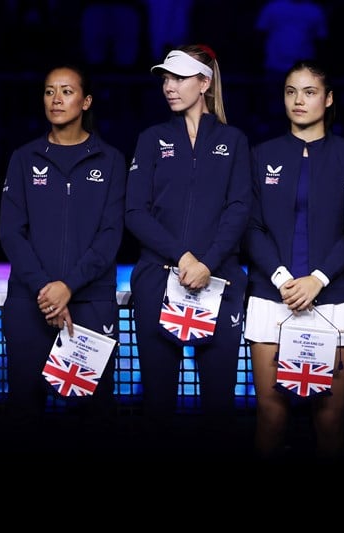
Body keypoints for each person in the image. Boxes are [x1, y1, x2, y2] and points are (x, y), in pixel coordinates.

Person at [124, 44, 253, 450]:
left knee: (219, 410)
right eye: (165, 78)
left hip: (221, 285)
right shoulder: (151, 139)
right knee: (157, 407)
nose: (169, 86)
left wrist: (209, 263)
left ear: (204, 82)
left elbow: (239, 208)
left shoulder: (233, 140)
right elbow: (134, 211)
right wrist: (183, 258)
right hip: (158, 283)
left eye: (179, 77)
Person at [0, 64, 127, 449]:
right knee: (23, 414)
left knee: (92, 419)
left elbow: (110, 235)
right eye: (49, 91)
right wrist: (46, 290)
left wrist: (68, 287)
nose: (56, 99)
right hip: (29, 303)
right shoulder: (23, 158)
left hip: (90, 305)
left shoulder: (111, 160)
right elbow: (10, 232)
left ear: (85, 101)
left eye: (67, 91)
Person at [243, 60, 344, 463]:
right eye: (291, 91)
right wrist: (282, 278)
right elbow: (251, 226)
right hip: (270, 296)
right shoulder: (261, 155)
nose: (299, 100)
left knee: (330, 422)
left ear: (328, 99)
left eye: (310, 92)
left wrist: (318, 279)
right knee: (271, 418)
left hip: (333, 297)